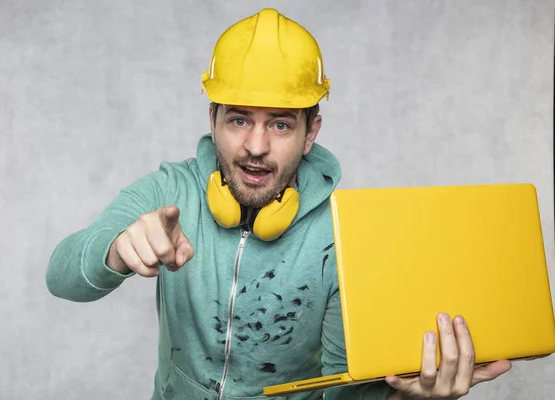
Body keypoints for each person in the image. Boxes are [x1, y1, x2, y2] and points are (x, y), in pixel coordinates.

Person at [46, 8, 512, 400]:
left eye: (281, 125)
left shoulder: (342, 235)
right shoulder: (171, 191)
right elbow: (62, 277)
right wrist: (116, 251)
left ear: (312, 133)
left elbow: (344, 389)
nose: (255, 145)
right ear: (213, 119)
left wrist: (408, 397)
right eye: (239, 119)